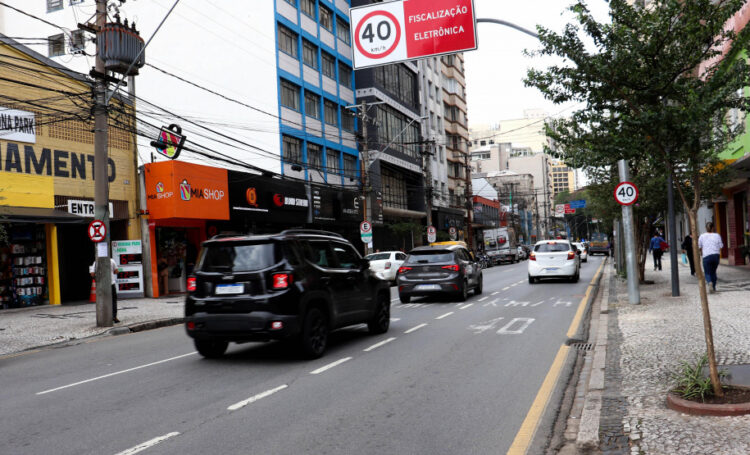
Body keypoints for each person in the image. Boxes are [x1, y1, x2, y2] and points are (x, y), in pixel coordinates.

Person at [90, 258, 120, 323]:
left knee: (102, 301)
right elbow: (116, 271)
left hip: (101, 285)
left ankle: (103, 316)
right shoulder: (112, 260)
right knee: (113, 300)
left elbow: (92, 273)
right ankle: (114, 316)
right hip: (111, 284)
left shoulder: (96, 262)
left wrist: (97, 278)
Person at [698, 221, 723, 293]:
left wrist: (701, 252)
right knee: (713, 272)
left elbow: (699, 246)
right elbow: (721, 245)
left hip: (706, 256)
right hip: (716, 255)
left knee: (707, 272)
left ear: (706, 228)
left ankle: (709, 282)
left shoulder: (702, 236)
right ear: (713, 228)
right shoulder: (717, 235)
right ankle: (714, 287)